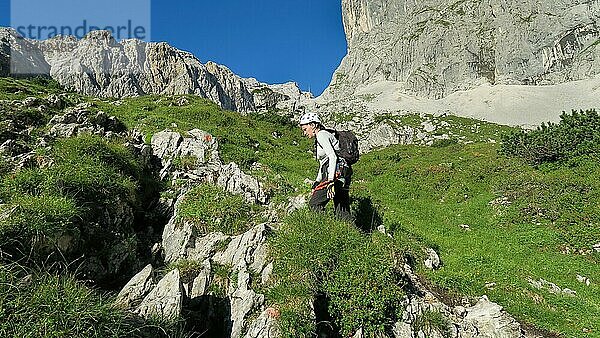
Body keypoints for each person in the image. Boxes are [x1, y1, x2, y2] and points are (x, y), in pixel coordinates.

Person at [299, 112, 352, 220]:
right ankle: (347, 233)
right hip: (344, 171)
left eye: (305, 129)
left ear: (313, 125)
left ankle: (324, 231)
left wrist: (330, 181)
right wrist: (317, 182)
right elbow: (323, 163)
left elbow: (332, 157)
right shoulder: (325, 135)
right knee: (342, 210)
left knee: (315, 204)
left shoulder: (321, 135)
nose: (304, 133)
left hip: (335, 172)